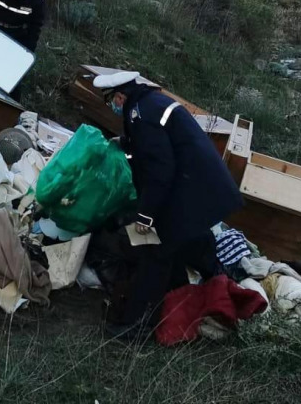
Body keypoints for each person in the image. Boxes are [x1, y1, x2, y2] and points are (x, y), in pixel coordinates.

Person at [93, 70, 244, 340]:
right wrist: (126, 144)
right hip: (197, 188)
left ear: (119, 96)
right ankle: (206, 285)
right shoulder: (150, 103)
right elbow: (158, 146)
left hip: (191, 191)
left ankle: (136, 326)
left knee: (157, 254)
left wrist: (146, 215)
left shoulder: (140, 114)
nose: (112, 108)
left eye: (111, 102)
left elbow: (159, 168)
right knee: (184, 243)